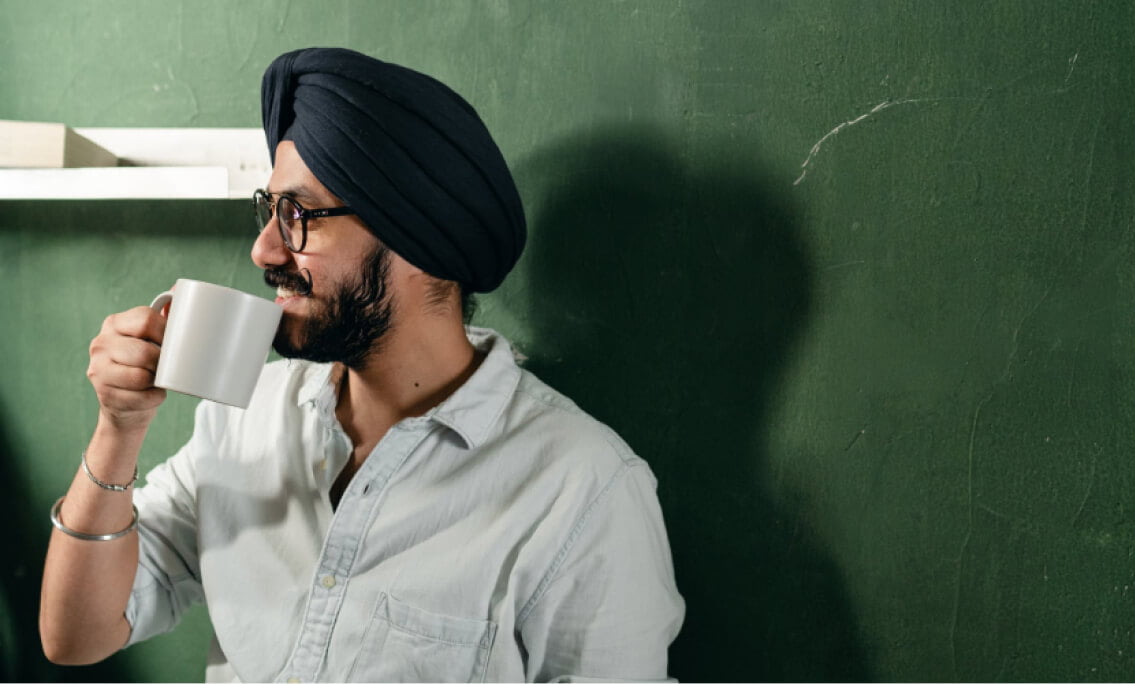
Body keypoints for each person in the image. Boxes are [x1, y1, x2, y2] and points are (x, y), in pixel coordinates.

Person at [39, 47, 684, 682]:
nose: (264, 249)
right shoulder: (244, 418)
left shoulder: (583, 492)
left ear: (417, 236)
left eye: (298, 216)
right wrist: (119, 428)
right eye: (269, 210)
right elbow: (75, 637)